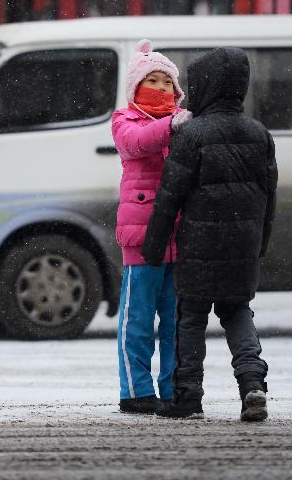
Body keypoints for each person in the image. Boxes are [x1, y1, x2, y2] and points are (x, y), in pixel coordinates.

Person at [141, 47, 277, 422]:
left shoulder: (193, 134)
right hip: (243, 246)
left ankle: (188, 396)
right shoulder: (259, 134)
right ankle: (252, 383)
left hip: (199, 247)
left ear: (206, 88)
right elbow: (270, 197)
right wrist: (260, 243)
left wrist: (153, 249)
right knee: (237, 313)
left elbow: (169, 198)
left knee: (190, 319)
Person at [112, 39, 192, 414]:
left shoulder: (184, 123)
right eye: (153, 81)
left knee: (176, 322)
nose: (161, 89)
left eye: (167, 83)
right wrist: (172, 126)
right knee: (138, 321)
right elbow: (136, 142)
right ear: (136, 87)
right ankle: (135, 390)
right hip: (143, 240)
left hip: (179, 237)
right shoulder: (125, 120)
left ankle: (173, 389)